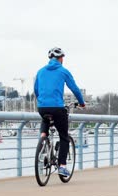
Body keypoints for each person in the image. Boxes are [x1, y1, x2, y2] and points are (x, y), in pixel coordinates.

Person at [34, 47, 85, 177]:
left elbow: (36, 90)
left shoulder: (40, 71)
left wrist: (42, 101)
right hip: (57, 107)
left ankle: (43, 139)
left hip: (42, 107)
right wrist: (82, 102)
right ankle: (62, 166)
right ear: (60, 58)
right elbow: (75, 88)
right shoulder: (63, 71)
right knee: (63, 136)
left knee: (45, 119)